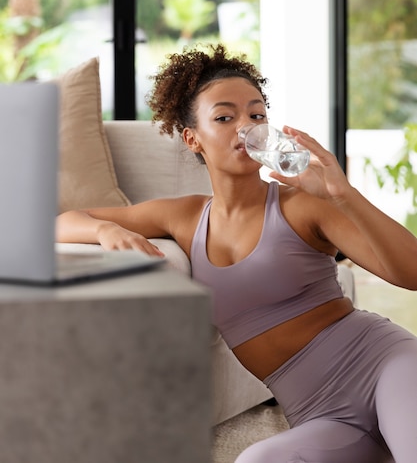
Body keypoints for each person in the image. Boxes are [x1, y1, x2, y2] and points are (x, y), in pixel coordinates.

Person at [57, 43, 417, 463]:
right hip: (321, 416)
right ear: (193, 138)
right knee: (254, 461)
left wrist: (343, 194)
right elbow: (64, 219)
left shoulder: (303, 204)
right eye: (225, 117)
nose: (245, 126)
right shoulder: (186, 217)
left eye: (256, 114)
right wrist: (105, 229)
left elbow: (410, 275)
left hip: (384, 367)